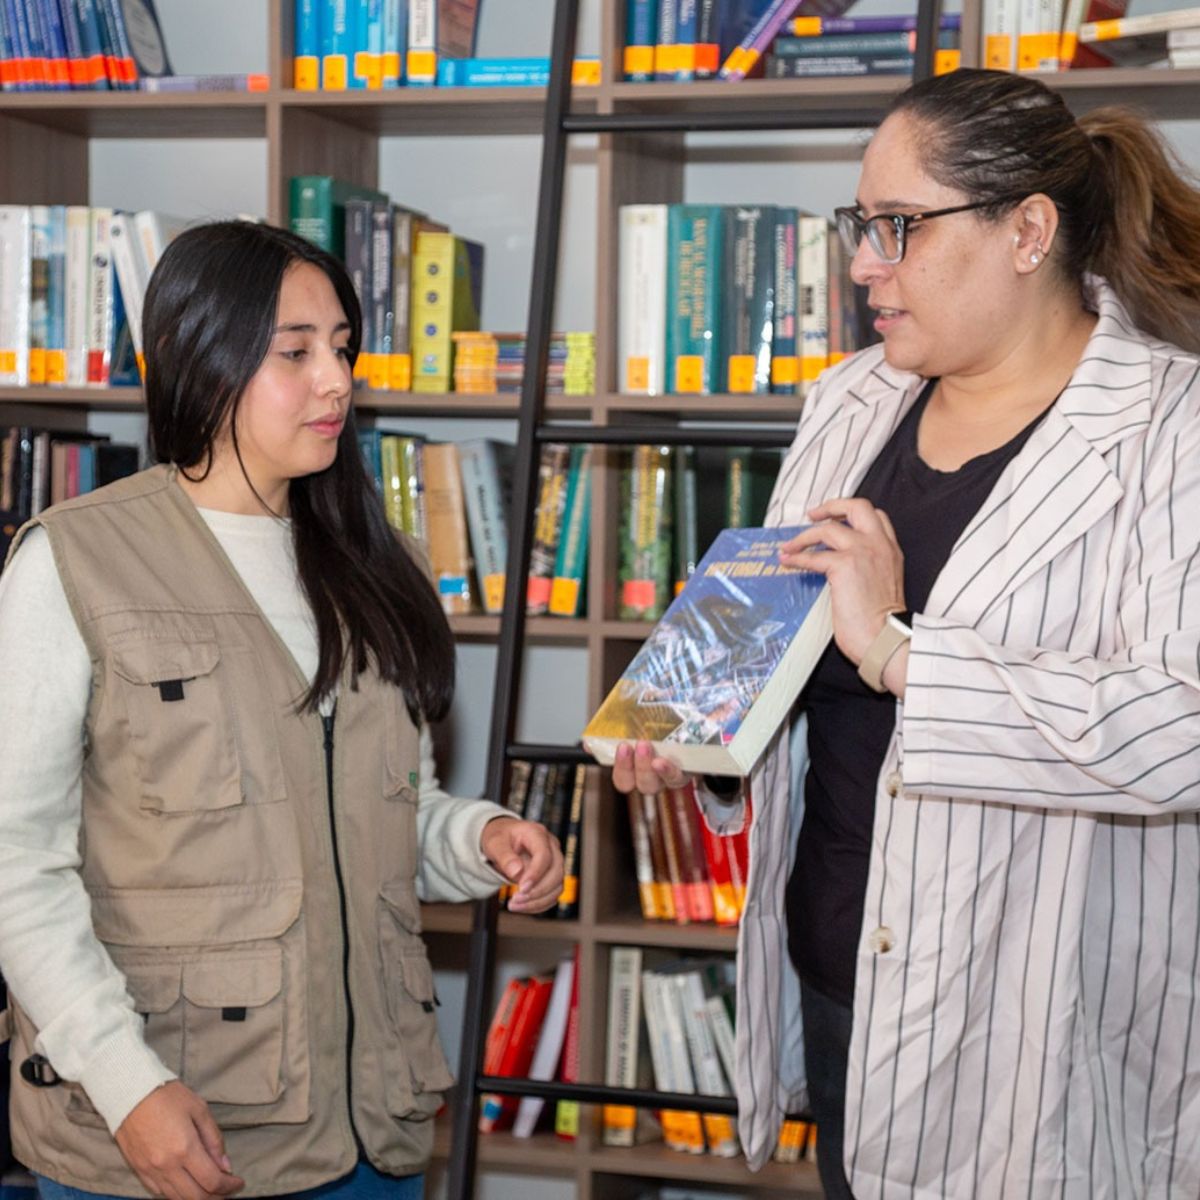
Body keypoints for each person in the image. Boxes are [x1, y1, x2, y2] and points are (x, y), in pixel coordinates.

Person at [613, 67, 1200, 1199]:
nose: (862, 264)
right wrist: (702, 739)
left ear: (1028, 231)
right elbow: (787, 649)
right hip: (840, 979)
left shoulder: (1172, 428)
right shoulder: (849, 400)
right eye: (862, 224)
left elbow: (1180, 727)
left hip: (1040, 1019)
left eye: (900, 226)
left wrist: (898, 651)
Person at [0, 221, 564, 1200]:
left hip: (375, 1134)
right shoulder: (76, 560)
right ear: (200, 356)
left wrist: (480, 840)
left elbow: (385, 817)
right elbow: (16, 864)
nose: (336, 381)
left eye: (342, 347)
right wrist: (129, 1087)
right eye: (295, 352)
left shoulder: (373, 563)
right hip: (175, 1134)